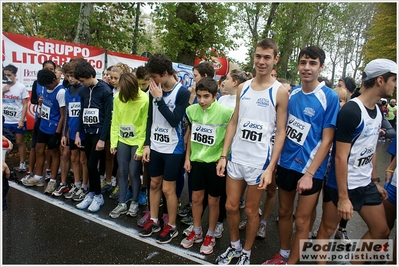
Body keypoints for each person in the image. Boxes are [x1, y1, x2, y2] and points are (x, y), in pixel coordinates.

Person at [215, 38, 289, 265]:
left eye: (267, 57)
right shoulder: (242, 87)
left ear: (275, 59)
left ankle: (246, 253)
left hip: (259, 162)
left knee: (250, 210)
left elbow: (281, 132)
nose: (261, 61)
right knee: (229, 205)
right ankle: (234, 246)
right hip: (236, 157)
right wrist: (224, 155)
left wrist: (270, 168)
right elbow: (234, 122)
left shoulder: (280, 92)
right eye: (258, 56)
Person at [316, 58, 396, 264]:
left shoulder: (377, 111)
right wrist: (343, 197)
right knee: (326, 229)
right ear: (380, 80)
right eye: (394, 80)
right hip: (341, 185)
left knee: (381, 230)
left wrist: (375, 181)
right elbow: (340, 157)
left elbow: (370, 149)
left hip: (365, 183)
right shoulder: (352, 111)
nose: (395, 85)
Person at [264, 46, 340, 265]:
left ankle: (293, 262)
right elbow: (282, 131)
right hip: (287, 164)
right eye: (303, 62)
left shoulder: (329, 97)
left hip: (310, 171)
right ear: (298, 65)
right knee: (285, 212)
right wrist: (274, 163)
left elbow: (327, 140)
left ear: (321, 66)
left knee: (302, 220)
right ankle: (285, 253)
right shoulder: (293, 93)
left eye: (313, 63)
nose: (307, 68)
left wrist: (310, 173)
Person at [139, 53, 190, 244]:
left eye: (154, 76)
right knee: (153, 184)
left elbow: (175, 120)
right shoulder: (154, 89)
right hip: (155, 146)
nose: (151, 80)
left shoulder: (182, 92)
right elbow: (150, 119)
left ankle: (172, 225)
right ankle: (153, 220)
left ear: (165, 73)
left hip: (173, 149)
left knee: (169, 189)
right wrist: (147, 144)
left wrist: (160, 99)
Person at [179, 77, 233, 254]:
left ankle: (210, 233)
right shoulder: (191, 110)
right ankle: (197, 231)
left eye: (206, 96)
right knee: (195, 199)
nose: (202, 100)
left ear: (215, 96)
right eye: (200, 96)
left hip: (215, 163)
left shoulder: (226, 112)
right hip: (196, 161)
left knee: (213, 200)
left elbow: (230, 136)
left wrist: (224, 157)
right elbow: (192, 134)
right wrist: (187, 158)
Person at [74, 60, 113, 212]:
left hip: (99, 133)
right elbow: (81, 112)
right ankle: (91, 193)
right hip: (87, 132)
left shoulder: (105, 90)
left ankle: (98, 196)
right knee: (88, 165)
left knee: (91, 165)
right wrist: (78, 133)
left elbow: (108, 117)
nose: (81, 83)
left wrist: (103, 139)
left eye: (83, 81)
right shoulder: (83, 91)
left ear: (90, 75)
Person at [109, 72, 149, 218]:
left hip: (137, 140)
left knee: (134, 173)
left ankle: (134, 202)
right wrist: (113, 142)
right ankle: (121, 203)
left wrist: (141, 148)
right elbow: (115, 121)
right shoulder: (118, 98)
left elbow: (145, 125)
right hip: (122, 140)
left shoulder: (144, 99)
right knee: (123, 171)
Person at [22, 69, 66, 195]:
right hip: (43, 125)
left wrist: (57, 134)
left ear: (54, 80)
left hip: (54, 128)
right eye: (45, 86)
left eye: (48, 85)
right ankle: (38, 178)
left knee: (54, 153)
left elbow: (63, 115)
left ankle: (52, 180)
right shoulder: (44, 87)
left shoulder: (61, 91)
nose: (47, 87)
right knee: (39, 149)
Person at [53, 59, 89, 201]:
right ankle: (76, 183)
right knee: (73, 157)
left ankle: (85, 186)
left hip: (83, 131)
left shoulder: (84, 90)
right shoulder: (68, 91)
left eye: (72, 75)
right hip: (71, 131)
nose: (70, 79)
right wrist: (64, 133)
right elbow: (67, 113)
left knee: (83, 159)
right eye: (67, 76)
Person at [22, 60, 57, 181]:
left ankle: (49, 171)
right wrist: (38, 101)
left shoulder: (57, 87)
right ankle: (32, 172)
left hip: (52, 123)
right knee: (36, 147)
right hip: (40, 119)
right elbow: (33, 100)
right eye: (46, 69)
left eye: (51, 69)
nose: (48, 71)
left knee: (51, 150)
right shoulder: (38, 82)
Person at [102, 62, 131, 199]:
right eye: (110, 77)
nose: (112, 80)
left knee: (122, 160)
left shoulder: (126, 93)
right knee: (109, 155)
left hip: (124, 130)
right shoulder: (108, 91)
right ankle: (108, 180)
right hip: (110, 127)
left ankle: (121, 184)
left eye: (115, 78)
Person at [2, 64, 29, 172]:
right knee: (3, 142)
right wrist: (3, 90)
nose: (7, 77)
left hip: (17, 119)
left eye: (9, 75)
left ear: (15, 75)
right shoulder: (2, 85)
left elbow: (25, 104)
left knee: (20, 142)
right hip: (5, 119)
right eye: (5, 75)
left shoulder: (21, 87)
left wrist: (22, 119)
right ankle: (3, 162)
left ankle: (22, 163)